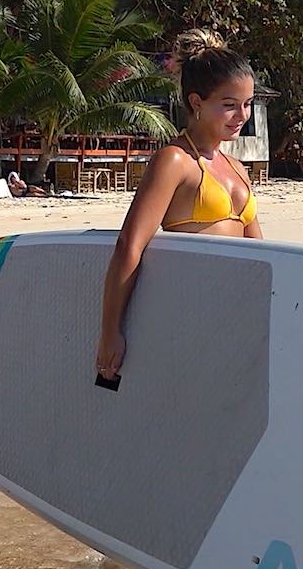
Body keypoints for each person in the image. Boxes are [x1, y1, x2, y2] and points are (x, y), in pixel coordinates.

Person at [95, 29, 260, 380]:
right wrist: (111, 331)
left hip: (232, 314)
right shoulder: (174, 161)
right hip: (189, 311)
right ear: (197, 102)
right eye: (229, 105)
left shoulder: (238, 169)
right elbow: (130, 244)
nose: (241, 115)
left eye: (247, 103)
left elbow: (260, 253)